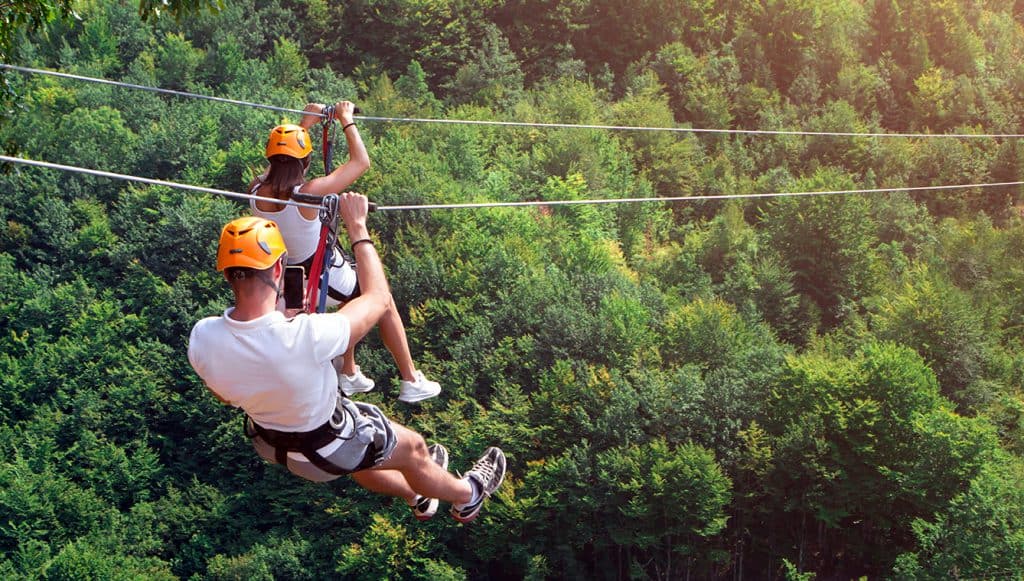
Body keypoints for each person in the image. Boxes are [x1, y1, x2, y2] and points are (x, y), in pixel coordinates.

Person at [187, 206, 506, 523]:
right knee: (414, 449)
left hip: (274, 445)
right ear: (278, 268)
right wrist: (358, 228)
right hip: (328, 445)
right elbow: (379, 299)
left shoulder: (203, 338)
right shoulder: (306, 335)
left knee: (362, 459)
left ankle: (417, 494)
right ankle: (469, 495)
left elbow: (225, 395)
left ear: (227, 272)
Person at [249, 100, 439, 403]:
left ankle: (348, 371)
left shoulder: (255, 190)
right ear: (306, 160)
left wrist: (305, 124)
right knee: (381, 298)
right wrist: (346, 119)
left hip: (288, 276)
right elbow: (360, 162)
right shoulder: (309, 193)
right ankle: (410, 378)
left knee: (350, 302)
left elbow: (279, 163)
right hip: (319, 273)